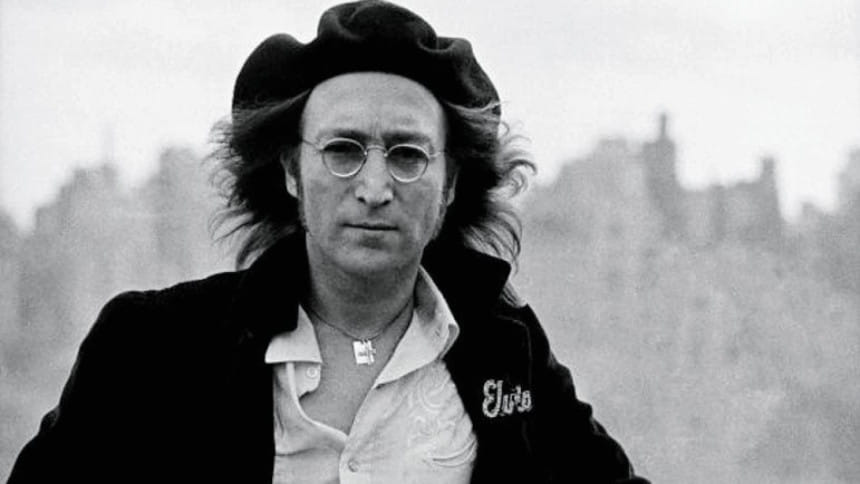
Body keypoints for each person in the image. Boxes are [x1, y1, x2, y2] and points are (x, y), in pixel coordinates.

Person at [9, 1, 648, 482]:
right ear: (292, 171)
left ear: (450, 182)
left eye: (407, 155)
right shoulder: (149, 348)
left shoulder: (506, 351)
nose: (374, 187)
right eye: (343, 150)